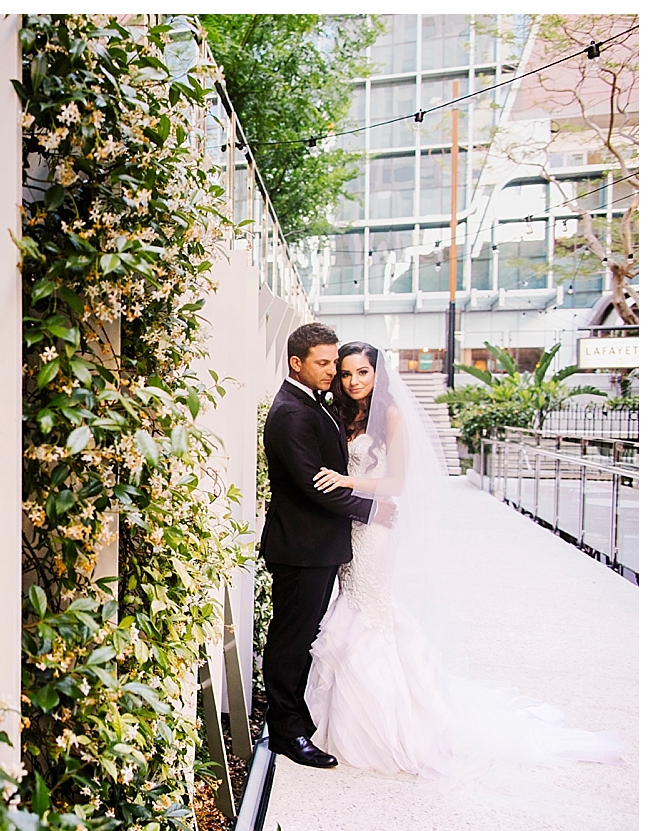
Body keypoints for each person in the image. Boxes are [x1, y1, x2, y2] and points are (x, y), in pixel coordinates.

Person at [304, 341, 623, 777]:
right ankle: (343, 714)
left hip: (377, 531)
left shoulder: (392, 418)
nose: (353, 381)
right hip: (350, 526)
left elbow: (395, 481)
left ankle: (386, 723)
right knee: (353, 605)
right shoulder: (346, 415)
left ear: (378, 374)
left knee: (370, 611)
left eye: (362, 372)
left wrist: (345, 479)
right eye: (346, 374)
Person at [258, 323, 394, 769]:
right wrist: (373, 512)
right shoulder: (291, 413)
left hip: (318, 546)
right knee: (289, 642)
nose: (333, 372)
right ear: (296, 363)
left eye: (334, 362)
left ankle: (296, 719)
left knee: (303, 637)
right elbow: (317, 488)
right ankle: (286, 734)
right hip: (301, 547)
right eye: (324, 363)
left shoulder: (315, 403)